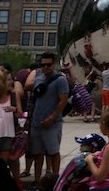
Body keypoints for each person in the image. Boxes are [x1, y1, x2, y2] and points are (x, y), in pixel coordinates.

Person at [26, 52, 70, 186]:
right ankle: (37, 180)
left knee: (53, 152)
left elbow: (63, 101)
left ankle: (56, 180)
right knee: (37, 152)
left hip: (52, 123)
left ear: (54, 64)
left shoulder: (60, 80)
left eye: (48, 65)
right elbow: (33, 97)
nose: (45, 67)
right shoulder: (38, 79)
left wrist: (52, 117)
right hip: (36, 122)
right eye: (43, 65)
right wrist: (30, 116)